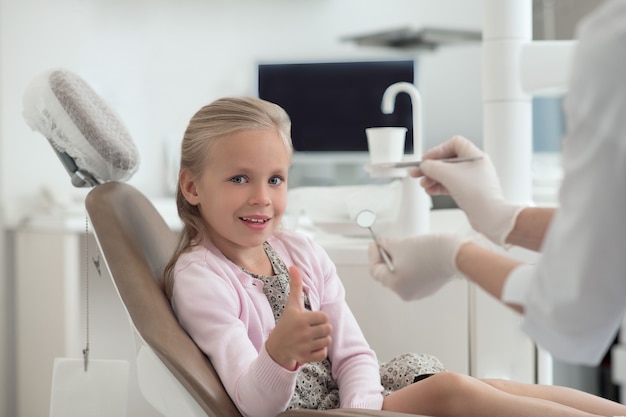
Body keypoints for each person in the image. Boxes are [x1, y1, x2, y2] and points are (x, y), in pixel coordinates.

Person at [164, 96, 626, 417]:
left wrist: (363, 408)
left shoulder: (298, 250)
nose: (262, 198)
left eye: (276, 179)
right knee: (453, 390)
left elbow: (354, 353)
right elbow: (251, 403)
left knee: (490, 387)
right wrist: (279, 355)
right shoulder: (201, 278)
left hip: (353, 402)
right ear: (191, 186)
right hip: (303, 413)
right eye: (240, 179)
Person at [368, 0, 626, 367]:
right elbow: (614, 236)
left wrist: (453, 256)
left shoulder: (612, 44)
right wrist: (503, 218)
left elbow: (573, 307)